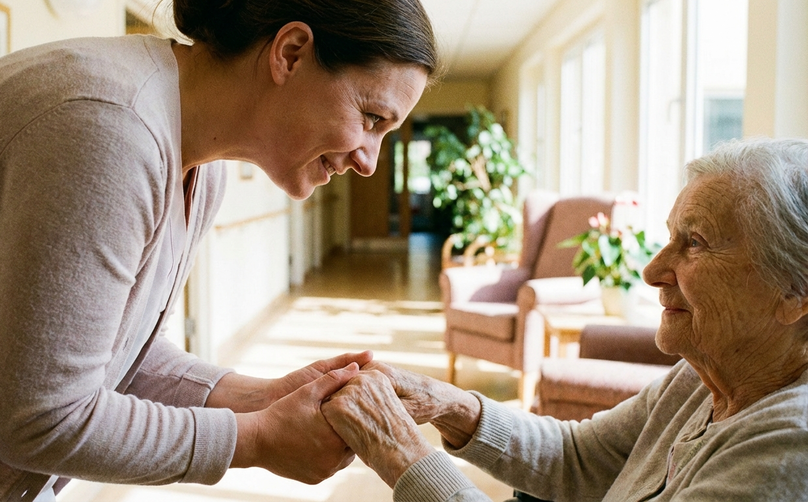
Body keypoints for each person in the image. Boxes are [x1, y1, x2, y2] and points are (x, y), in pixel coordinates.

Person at [0, 0, 437, 500]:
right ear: (291, 53)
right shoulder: (108, 128)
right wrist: (253, 439)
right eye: (371, 119)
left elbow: (123, 356)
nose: (370, 161)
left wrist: (267, 398)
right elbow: (43, 419)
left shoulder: (202, 171)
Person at [322, 137, 808, 501]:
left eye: (695, 243)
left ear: (795, 292)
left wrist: (405, 455)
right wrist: (449, 403)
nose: (653, 270)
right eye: (670, 239)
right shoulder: (704, 377)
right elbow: (579, 457)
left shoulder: (787, 449)